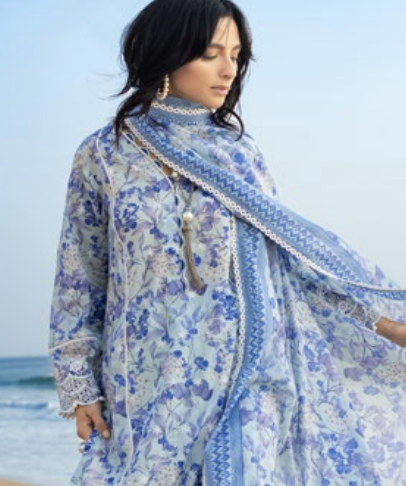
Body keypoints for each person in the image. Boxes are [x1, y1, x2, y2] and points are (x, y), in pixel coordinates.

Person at [48, 0, 406, 484]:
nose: (229, 70)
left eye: (236, 56)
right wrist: (79, 385)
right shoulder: (104, 155)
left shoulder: (240, 154)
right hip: (151, 384)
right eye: (211, 54)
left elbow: (288, 258)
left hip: (249, 378)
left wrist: (382, 322)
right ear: (168, 52)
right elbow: (80, 278)